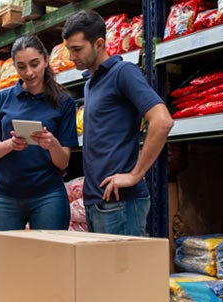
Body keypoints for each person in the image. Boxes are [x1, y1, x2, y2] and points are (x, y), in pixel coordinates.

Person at [62, 10, 174, 236]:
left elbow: (162, 121)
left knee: (125, 272)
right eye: (69, 50)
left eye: (77, 49)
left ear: (99, 44)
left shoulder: (123, 72)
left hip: (121, 204)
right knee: (103, 272)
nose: (72, 56)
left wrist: (134, 175)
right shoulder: (90, 83)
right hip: (98, 202)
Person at [0, 35, 78, 231]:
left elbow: (64, 161)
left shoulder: (63, 101)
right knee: (3, 259)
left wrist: (52, 144)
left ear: (46, 59)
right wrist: (10, 144)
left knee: (49, 258)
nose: (29, 72)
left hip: (48, 196)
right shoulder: (3, 99)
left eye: (35, 64)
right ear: (15, 67)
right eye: (22, 66)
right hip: (4, 197)